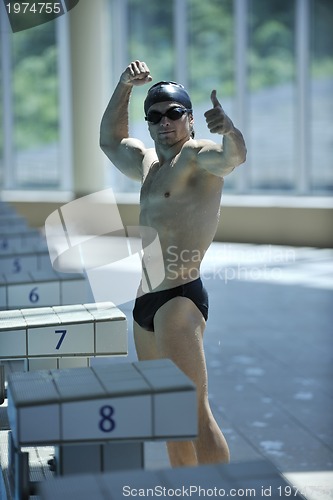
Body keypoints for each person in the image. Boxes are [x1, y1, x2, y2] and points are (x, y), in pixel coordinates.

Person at [100, 60, 246, 467]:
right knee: (169, 417)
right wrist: (124, 85)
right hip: (145, 302)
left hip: (179, 301)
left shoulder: (196, 157)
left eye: (174, 113)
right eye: (156, 116)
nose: (165, 121)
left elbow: (231, 159)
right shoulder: (149, 165)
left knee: (194, 414)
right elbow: (110, 142)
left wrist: (230, 131)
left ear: (191, 118)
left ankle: (222, 495)